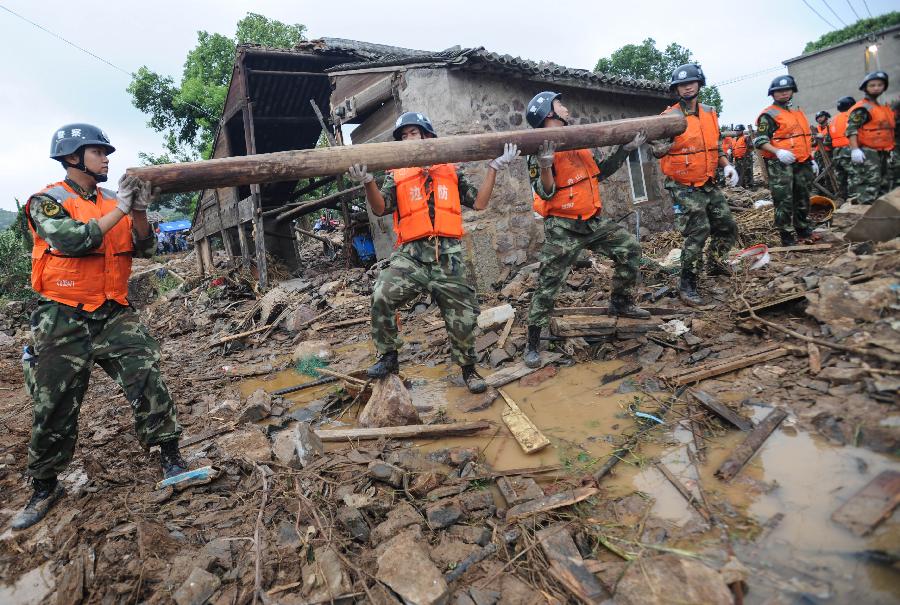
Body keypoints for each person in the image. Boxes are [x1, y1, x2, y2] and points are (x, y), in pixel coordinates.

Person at [12, 124, 186, 531]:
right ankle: (44, 485)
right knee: (54, 401)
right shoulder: (48, 201)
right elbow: (74, 241)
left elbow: (145, 247)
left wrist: (138, 209)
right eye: (98, 151)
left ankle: (172, 457)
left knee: (148, 377)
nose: (107, 158)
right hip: (62, 315)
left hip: (112, 312)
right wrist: (123, 209)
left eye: (107, 152)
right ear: (73, 157)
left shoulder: (114, 201)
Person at [347, 112, 519, 393]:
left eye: (412, 133)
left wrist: (494, 168)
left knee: (462, 317)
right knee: (382, 294)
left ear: (427, 136)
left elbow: (479, 203)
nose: (407, 139)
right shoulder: (396, 174)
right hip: (411, 256)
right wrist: (368, 181)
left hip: (447, 257)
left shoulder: (450, 170)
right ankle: (389, 356)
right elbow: (380, 208)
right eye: (403, 136)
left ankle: (468, 369)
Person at [521, 91, 649, 368]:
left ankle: (621, 301)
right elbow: (545, 191)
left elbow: (600, 172)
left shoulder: (580, 140)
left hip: (591, 220)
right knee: (548, 283)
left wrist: (625, 150)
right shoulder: (537, 147)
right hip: (563, 227)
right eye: (560, 105)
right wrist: (545, 164)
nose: (566, 108)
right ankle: (531, 341)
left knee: (630, 248)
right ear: (548, 114)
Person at [649, 64, 739, 306]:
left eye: (691, 82)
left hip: (708, 182)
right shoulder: (669, 117)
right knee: (698, 231)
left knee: (726, 225)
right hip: (683, 185)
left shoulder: (710, 112)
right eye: (681, 84)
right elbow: (657, 150)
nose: (687, 86)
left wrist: (727, 165)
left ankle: (716, 263)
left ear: (699, 83)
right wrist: (659, 144)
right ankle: (687, 284)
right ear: (676, 89)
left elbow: (716, 146)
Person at [753, 75, 819, 245]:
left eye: (786, 90)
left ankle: (803, 230)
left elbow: (803, 139)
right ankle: (787, 236)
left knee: (803, 197)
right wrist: (778, 152)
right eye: (779, 91)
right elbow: (760, 140)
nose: (783, 93)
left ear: (792, 91)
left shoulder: (797, 113)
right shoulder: (769, 115)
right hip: (781, 164)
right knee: (784, 201)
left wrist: (811, 158)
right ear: (772, 94)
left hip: (802, 161)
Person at [846, 71, 895, 204]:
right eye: (872, 85)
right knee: (870, 186)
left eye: (880, 85)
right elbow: (851, 129)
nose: (876, 88)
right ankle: (866, 216)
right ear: (865, 88)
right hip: (868, 152)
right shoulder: (864, 108)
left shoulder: (883, 108)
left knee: (884, 186)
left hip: (884, 151)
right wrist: (855, 149)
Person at [830, 96, 855, 200]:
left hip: (836, 152)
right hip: (849, 149)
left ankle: (843, 199)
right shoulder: (851, 116)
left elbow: (828, 139)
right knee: (853, 175)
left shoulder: (834, 119)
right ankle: (854, 199)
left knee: (841, 177)